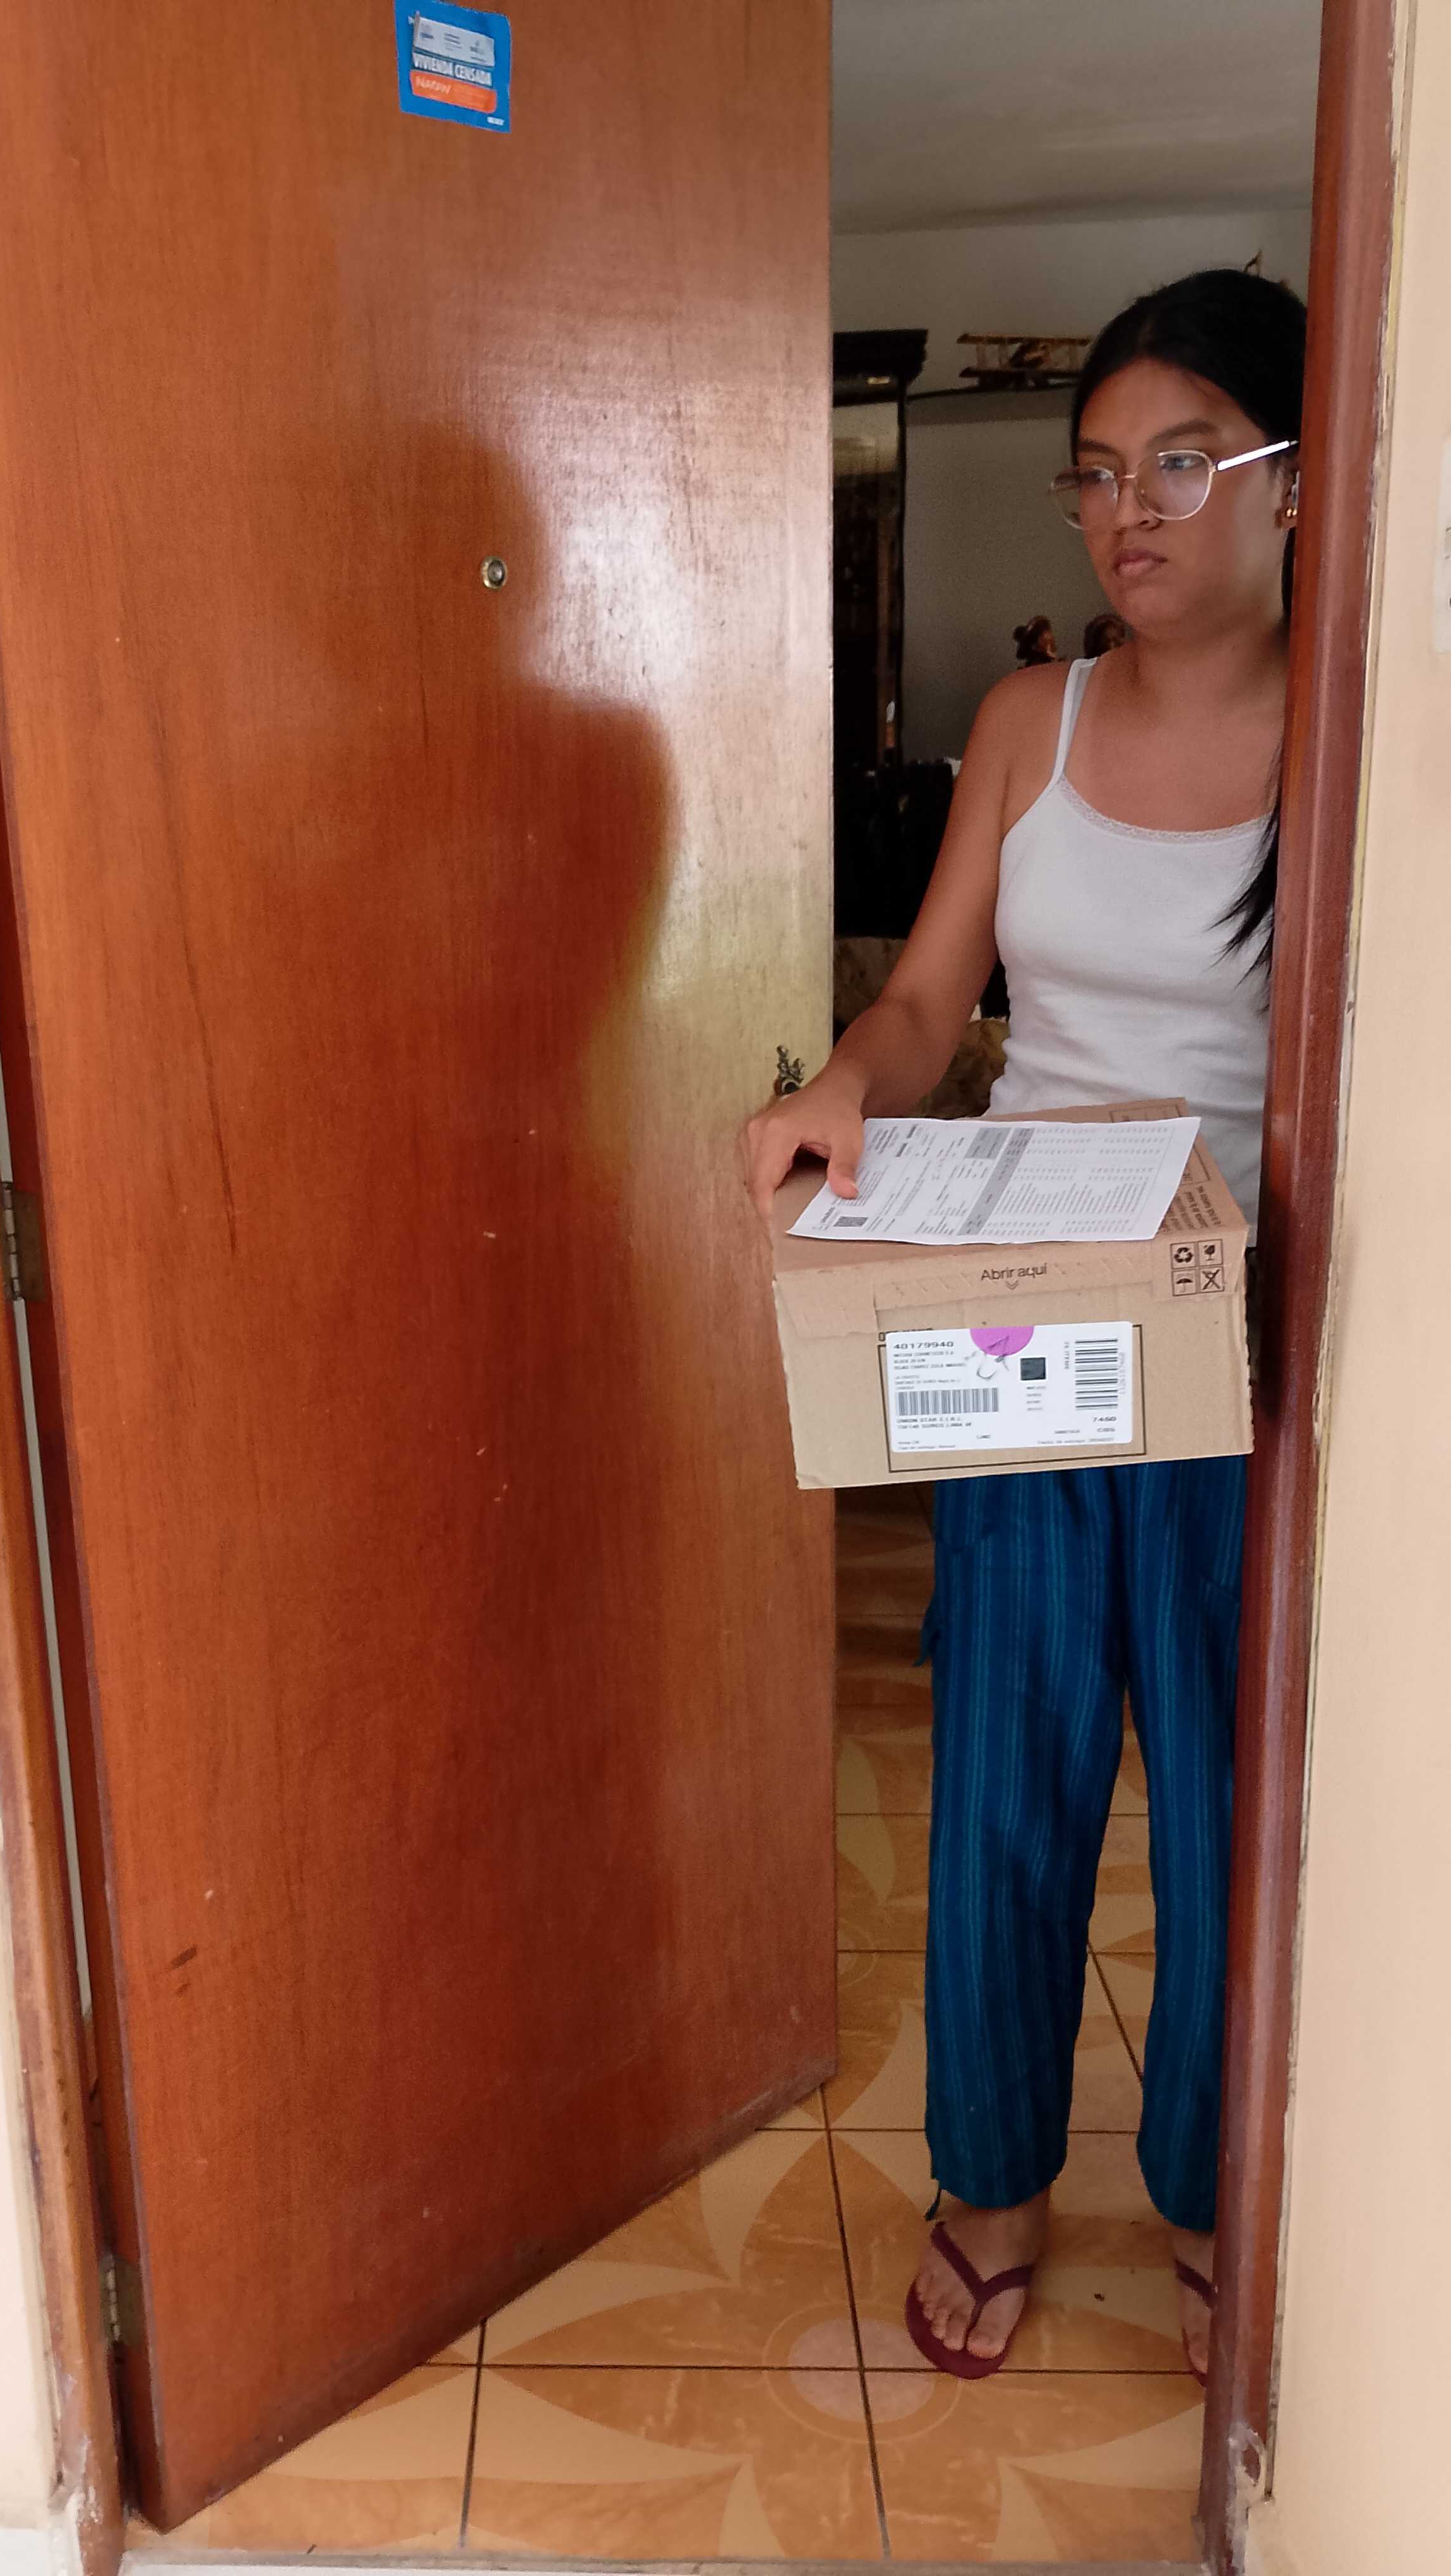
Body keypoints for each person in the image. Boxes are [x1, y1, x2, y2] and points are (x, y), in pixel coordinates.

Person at [742, 268, 1303, 2385]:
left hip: (1249, 1332)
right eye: (1099, 473)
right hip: (1028, 1317)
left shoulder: (1357, 733)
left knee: (1232, 1794)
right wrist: (839, 1089)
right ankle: (990, 2179)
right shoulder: (1026, 723)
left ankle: (1211, 2188)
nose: (1128, 512)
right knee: (1007, 1764)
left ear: (1290, 480)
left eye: (1183, 464)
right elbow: (923, 1002)